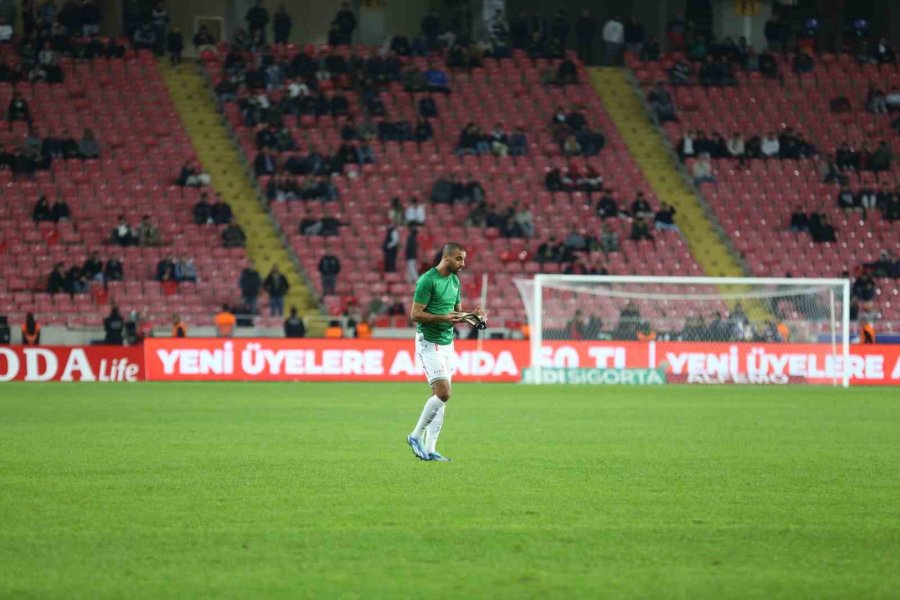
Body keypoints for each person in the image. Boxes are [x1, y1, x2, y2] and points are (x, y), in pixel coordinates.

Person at [407, 242, 487, 463]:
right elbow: (415, 314)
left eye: (464, 259)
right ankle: (415, 436)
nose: (463, 263)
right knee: (444, 392)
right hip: (428, 342)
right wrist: (443, 318)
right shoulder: (427, 280)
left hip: (447, 343)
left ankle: (431, 449)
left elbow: (457, 314)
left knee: (440, 398)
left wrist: (474, 318)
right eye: (459, 259)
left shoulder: (454, 281)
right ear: (446, 257)